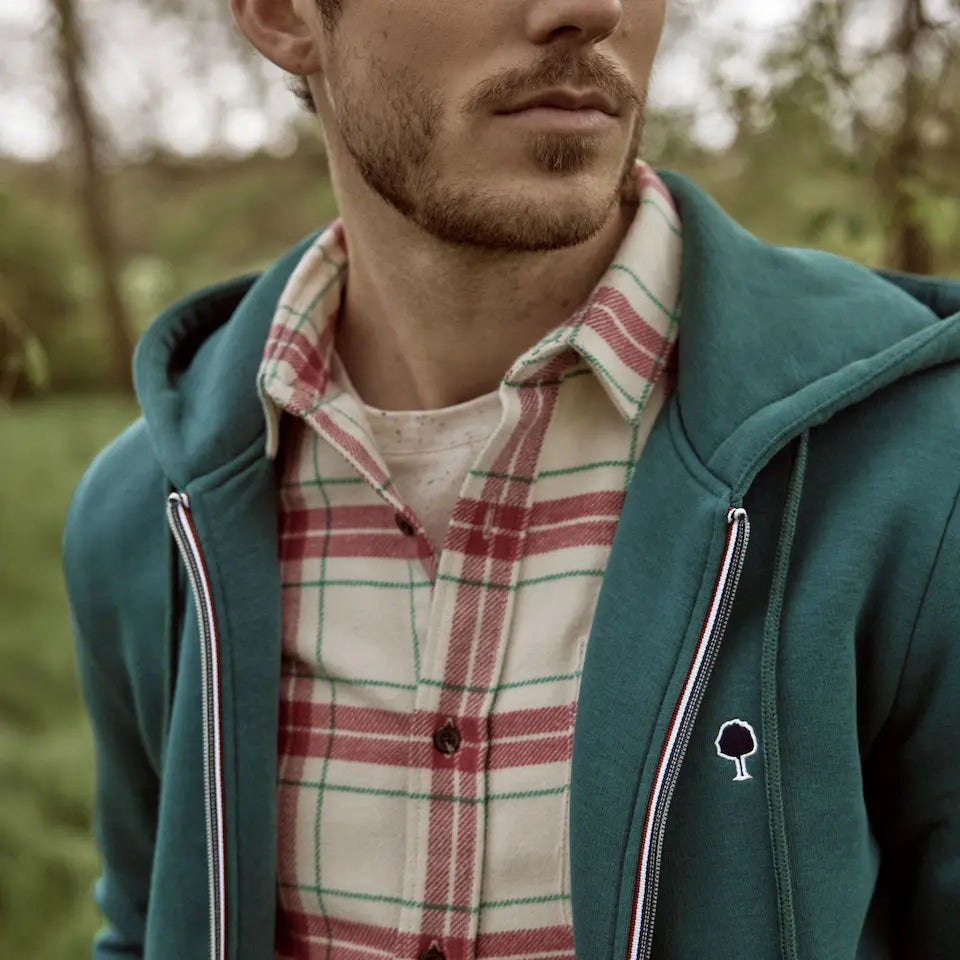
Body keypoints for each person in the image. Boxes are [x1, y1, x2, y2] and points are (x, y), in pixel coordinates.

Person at [63, 1, 960, 959]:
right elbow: (149, 925)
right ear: (284, 14)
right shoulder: (149, 515)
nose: (593, 8)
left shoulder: (918, 462)